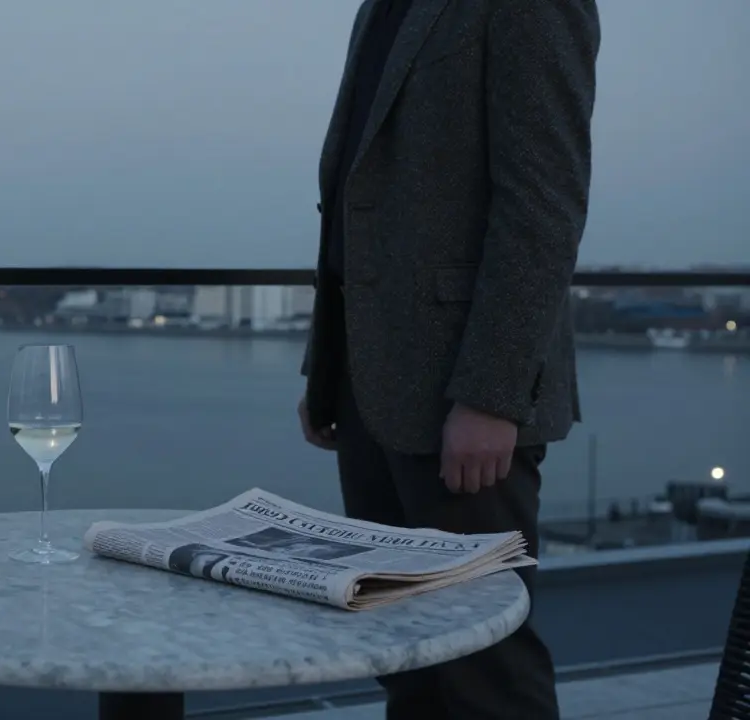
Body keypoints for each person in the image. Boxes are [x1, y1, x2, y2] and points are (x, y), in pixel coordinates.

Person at [296, 1, 600, 718]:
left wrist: (492, 395)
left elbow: (545, 200)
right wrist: (328, 363)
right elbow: (356, 192)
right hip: (373, 385)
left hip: (465, 398)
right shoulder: (382, 7)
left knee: (484, 669)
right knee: (404, 658)